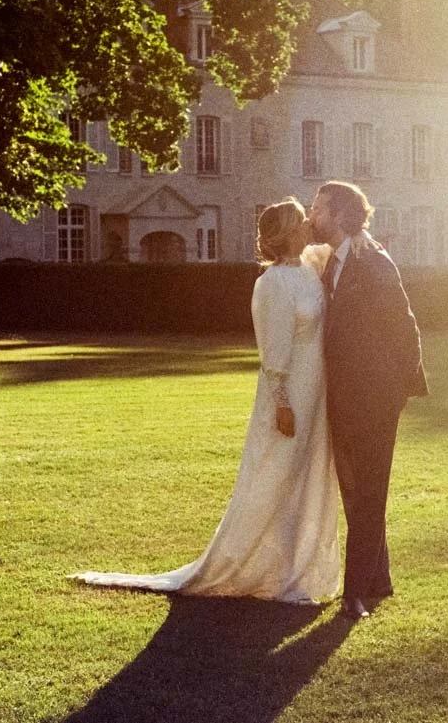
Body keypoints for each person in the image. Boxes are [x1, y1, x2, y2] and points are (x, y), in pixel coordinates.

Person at [69, 198, 340, 604]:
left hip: (317, 392)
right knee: (274, 480)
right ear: (287, 232)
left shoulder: (312, 268)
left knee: (308, 480)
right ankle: (248, 565)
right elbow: (273, 355)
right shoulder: (272, 284)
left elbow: (344, 245)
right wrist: (283, 404)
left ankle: (298, 567)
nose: (308, 224)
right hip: (290, 398)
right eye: (302, 220)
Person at [308, 181, 429, 620]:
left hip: (376, 398)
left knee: (370, 493)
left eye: (318, 208)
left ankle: (353, 593)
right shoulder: (330, 263)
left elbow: (406, 326)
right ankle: (379, 579)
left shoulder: (374, 260)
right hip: (343, 397)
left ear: (341, 215)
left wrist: (400, 390)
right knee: (355, 488)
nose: (311, 215)